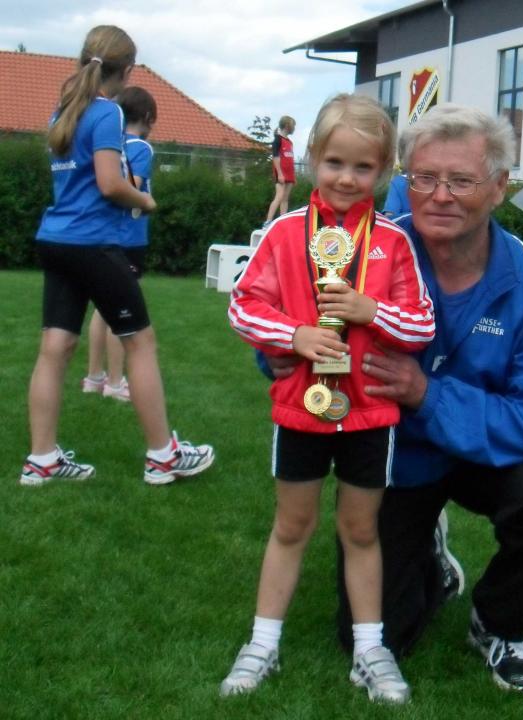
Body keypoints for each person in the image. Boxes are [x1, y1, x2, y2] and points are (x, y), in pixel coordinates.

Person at [330, 104, 523, 694]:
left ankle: (500, 622)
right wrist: (287, 352)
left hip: (486, 452)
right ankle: (431, 560)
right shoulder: (364, 250)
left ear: (498, 187)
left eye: (461, 180)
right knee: (372, 635)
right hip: (395, 457)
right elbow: (297, 328)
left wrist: (425, 393)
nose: (440, 196)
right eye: (424, 178)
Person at [223, 93, 435, 704]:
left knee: (361, 530)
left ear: (384, 170)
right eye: (336, 162)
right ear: (314, 157)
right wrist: (294, 335)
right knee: (291, 525)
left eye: (363, 167)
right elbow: (243, 305)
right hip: (300, 406)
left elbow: (421, 325)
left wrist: (372, 310)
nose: (346, 178)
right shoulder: (285, 232)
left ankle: (370, 649)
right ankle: (262, 643)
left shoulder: (393, 241)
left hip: (370, 412)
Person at [20, 25, 215, 486]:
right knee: (139, 342)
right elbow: (110, 183)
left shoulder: (64, 110)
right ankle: (162, 457)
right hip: (93, 243)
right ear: (126, 71)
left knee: (55, 348)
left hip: (56, 240)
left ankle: (41, 460)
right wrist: (144, 200)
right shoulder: (107, 112)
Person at [83, 86, 158, 402]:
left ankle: (94, 377)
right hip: (129, 239)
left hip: (107, 235)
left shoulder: (112, 143)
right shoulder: (141, 147)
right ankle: (115, 382)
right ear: (148, 117)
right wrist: (146, 202)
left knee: (101, 310)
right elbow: (131, 187)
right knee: (122, 312)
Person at [265, 115, 296, 223]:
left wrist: (292, 175)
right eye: (293, 125)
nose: (294, 128)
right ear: (287, 125)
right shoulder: (278, 140)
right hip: (281, 174)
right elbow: (275, 157)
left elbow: (289, 158)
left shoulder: (290, 142)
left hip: (290, 174)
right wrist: (280, 174)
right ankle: (268, 221)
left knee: (285, 199)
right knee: (279, 197)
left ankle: (283, 222)